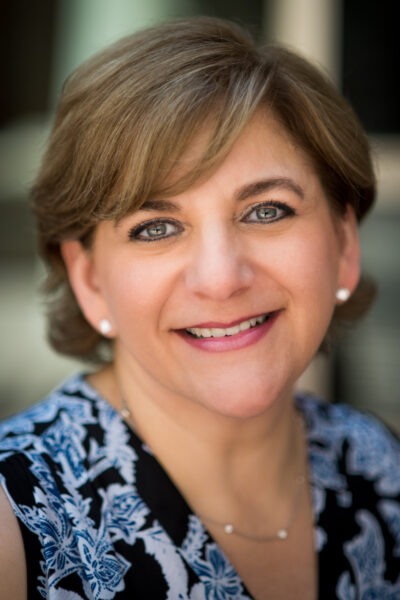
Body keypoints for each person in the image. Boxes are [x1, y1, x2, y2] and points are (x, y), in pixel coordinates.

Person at [0, 16, 399, 600]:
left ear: (343, 245)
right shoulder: (12, 525)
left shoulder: (383, 469)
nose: (221, 279)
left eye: (267, 211)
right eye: (156, 227)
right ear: (89, 280)